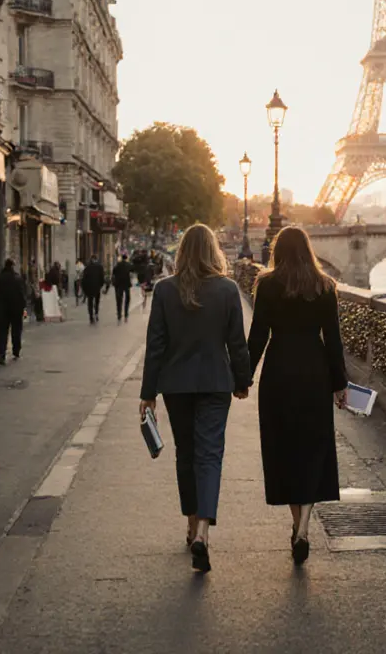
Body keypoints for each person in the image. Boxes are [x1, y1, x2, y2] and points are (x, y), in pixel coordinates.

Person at [140, 224, 251, 573]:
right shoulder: (228, 289)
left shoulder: (164, 291)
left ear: (182, 252)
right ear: (214, 251)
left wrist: (148, 394)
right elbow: (237, 343)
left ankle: (191, 525)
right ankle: (203, 530)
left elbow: (156, 345)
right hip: (217, 382)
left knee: (185, 455)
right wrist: (243, 380)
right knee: (210, 455)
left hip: (176, 384)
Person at [247, 226, 348, 566]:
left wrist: (243, 377)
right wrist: (340, 384)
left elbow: (258, 335)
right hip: (314, 372)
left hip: (279, 371)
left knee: (285, 449)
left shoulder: (267, 284)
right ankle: (303, 526)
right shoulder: (325, 287)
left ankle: (296, 526)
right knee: (312, 448)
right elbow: (333, 341)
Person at [0, 259, 27, 365]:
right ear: (12, 266)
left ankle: (1, 354)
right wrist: (23, 307)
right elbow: (22, 294)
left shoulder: (0, 278)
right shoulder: (17, 278)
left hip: (2, 310)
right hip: (16, 309)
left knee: (2, 332)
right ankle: (16, 351)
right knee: (16, 331)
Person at [81, 255, 106, 324]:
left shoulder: (87, 268)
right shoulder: (100, 267)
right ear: (96, 259)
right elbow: (102, 278)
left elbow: (83, 280)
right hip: (97, 287)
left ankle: (91, 317)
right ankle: (96, 313)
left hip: (89, 288)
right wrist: (101, 285)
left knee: (90, 302)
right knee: (97, 301)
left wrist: (84, 289)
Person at [112, 254, 134, 322]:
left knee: (119, 300)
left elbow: (114, 273)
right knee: (127, 299)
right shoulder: (129, 265)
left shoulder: (117, 265)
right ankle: (126, 314)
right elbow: (132, 272)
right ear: (126, 258)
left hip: (119, 285)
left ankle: (119, 314)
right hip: (126, 284)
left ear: (121, 258)